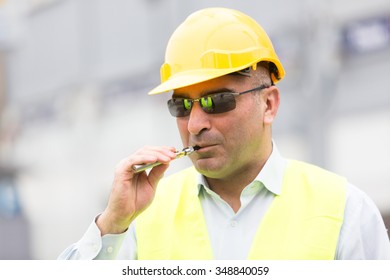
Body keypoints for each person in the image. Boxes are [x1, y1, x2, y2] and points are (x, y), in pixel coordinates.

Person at [58, 7, 390, 260]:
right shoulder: (138, 217)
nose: (194, 124)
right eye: (182, 106)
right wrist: (111, 224)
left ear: (269, 104)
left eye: (216, 101)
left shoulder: (344, 210)